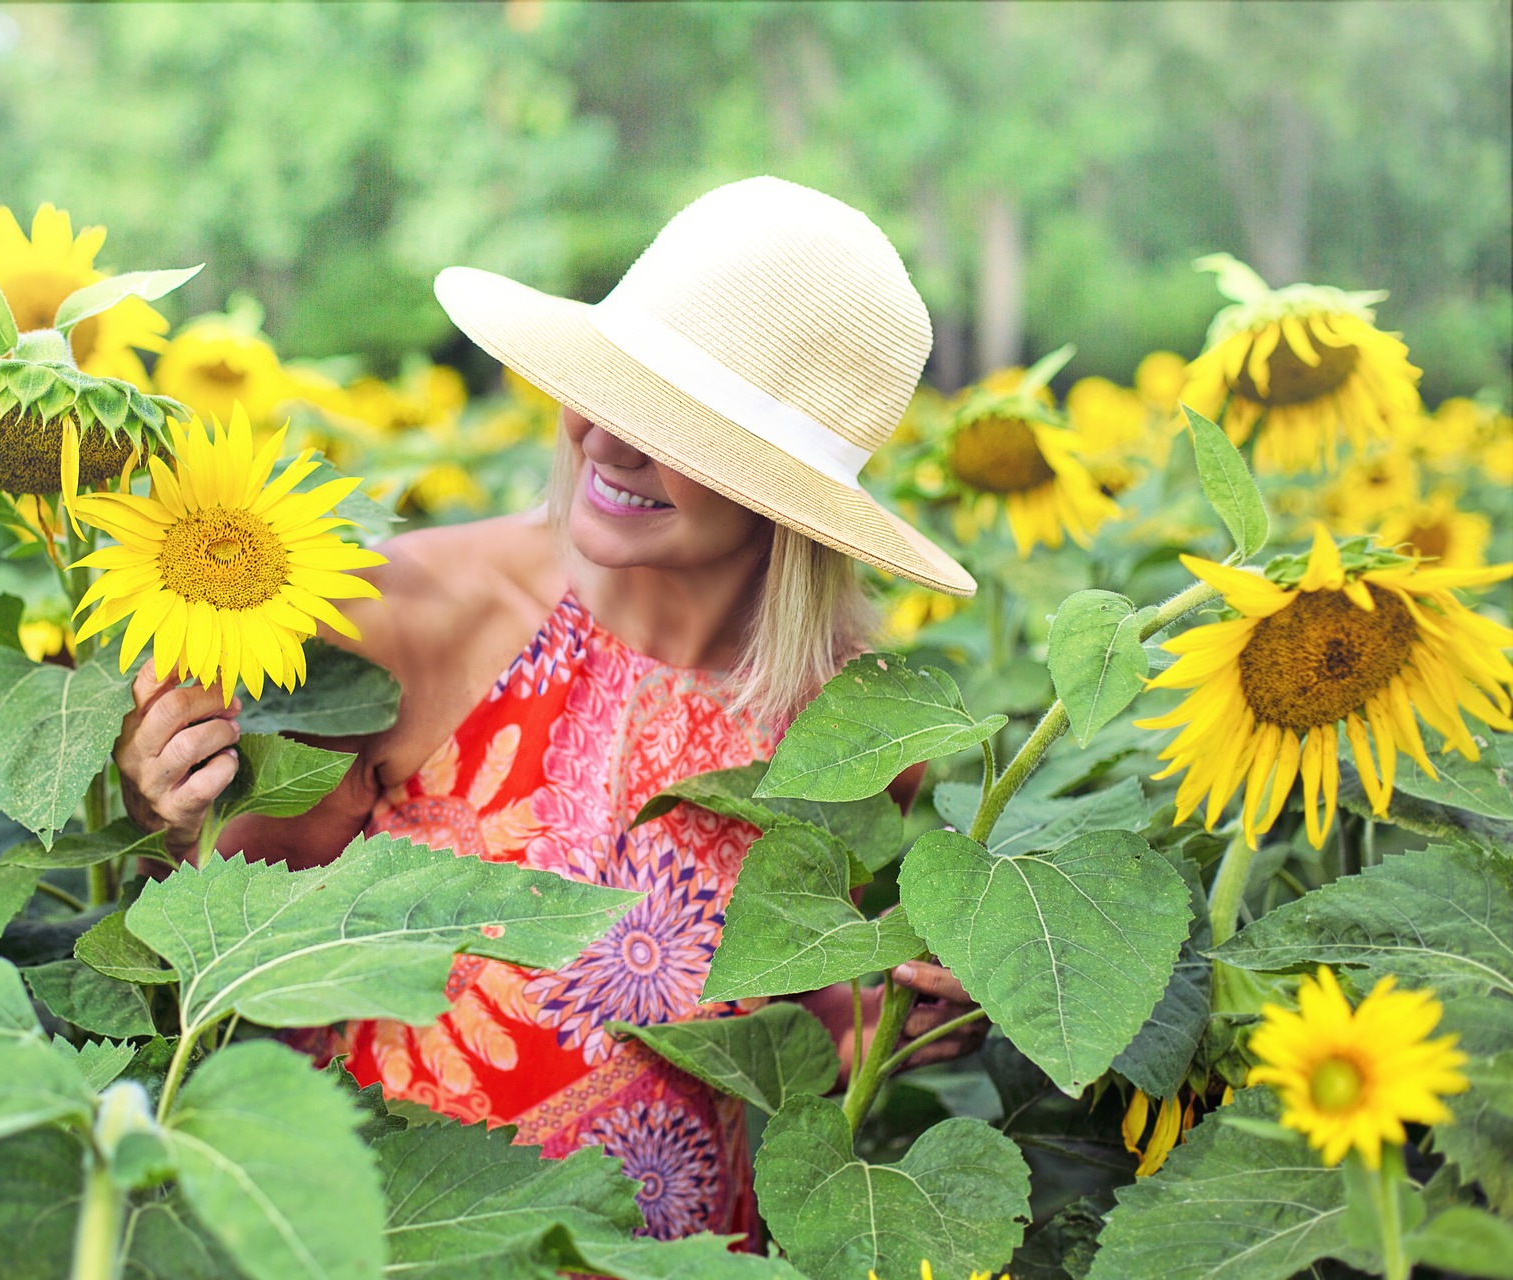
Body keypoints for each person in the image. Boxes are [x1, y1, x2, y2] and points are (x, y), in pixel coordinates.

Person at [111, 176, 988, 1242]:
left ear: (781, 491)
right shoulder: (412, 616)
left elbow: (798, 1050)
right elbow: (228, 965)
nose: (610, 444)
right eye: (606, 390)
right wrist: (171, 798)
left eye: (679, 430)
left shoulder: (857, 727)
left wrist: (908, 1015)